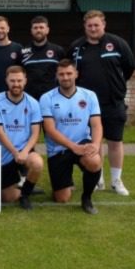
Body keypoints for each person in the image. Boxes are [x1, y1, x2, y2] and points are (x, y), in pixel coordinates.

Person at [69, 9, 135, 195]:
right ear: (85, 27)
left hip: (113, 103)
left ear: (104, 25)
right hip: (87, 107)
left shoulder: (117, 44)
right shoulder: (76, 47)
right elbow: (71, 71)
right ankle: (98, 178)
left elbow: (129, 67)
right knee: (94, 143)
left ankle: (117, 180)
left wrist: (116, 86)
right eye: (89, 25)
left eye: (96, 25)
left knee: (115, 141)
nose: (93, 28)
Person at [40, 59, 103, 214]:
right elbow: (49, 129)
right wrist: (74, 147)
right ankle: (66, 183)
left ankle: (86, 198)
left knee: (94, 161)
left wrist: (95, 145)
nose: (66, 77)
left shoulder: (89, 96)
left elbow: (96, 124)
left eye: (69, 73)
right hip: (58, 149)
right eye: (62, 74)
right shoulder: (47, 98)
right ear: (57, 76)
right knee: (61, 199)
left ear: (76, 74)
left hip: (83, 143)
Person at [0, 65, 43, 210]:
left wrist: (25, 151)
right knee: (7, 198)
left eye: (19, 80)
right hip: (4, 155)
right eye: (12, 81)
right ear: (6, 80)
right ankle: (20, 183)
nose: (16, 84)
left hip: (24, 152)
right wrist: (14, 152)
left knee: (37, 163)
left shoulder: (33, 103)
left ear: (25, 80)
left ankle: (25, 195)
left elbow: (35, 132)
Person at [0, 16, 23, 98]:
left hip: (13, 95)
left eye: (2, 28)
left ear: (8, 29)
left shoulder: (18, 48)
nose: (0, 31)